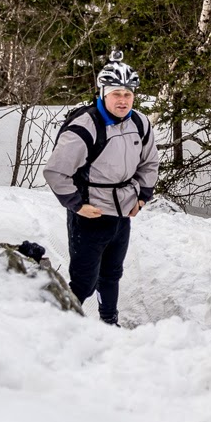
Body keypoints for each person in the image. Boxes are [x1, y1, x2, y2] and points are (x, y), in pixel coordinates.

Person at [44, 52, 159, 326]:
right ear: (103, 92)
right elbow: (56, 170)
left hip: (122, 215)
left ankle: (109, 321)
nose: (123, 100)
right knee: (84, 280)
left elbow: (150, 162)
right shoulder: (85, 126)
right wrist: (77, 204)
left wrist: (142, 198)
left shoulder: (140, 124)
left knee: (112, 274)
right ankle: (60, 325)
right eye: (116, 93)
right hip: (90, 215)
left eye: (128, 94)